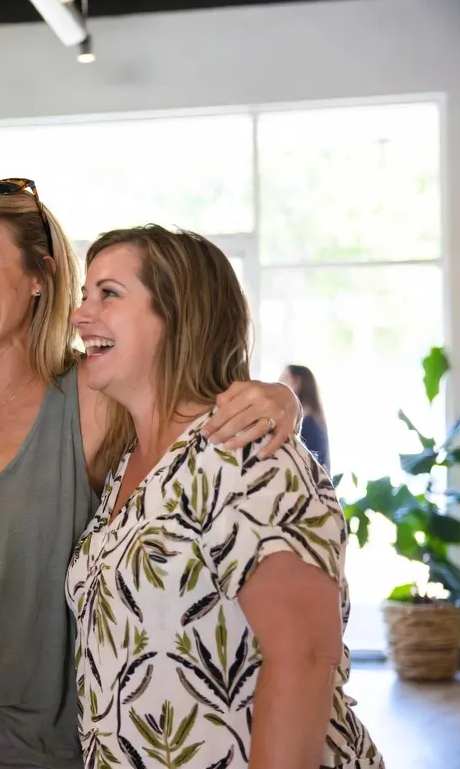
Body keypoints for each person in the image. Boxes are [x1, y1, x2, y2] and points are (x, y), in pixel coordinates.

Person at [0, 179, 302, 769]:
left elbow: (184, 391)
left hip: (31, 745)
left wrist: (279, 397)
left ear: (39, 277)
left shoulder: (92, 398)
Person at [67, 225, 382, 768]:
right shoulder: (129, 463)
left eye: (108, 294)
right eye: (84, 295)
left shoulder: (243, 449)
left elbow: (306, 655)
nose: (80, 315)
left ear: (177, 317)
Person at [282, 364, 330, 471]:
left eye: (284, 379)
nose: (279, 384)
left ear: (296, 382)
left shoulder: (307, 422)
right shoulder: (315, 418)